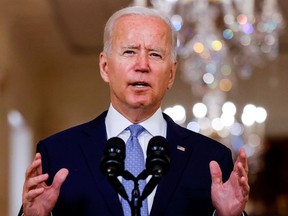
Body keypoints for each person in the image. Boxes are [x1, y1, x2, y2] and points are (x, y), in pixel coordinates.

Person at [19, 6, 249, 216]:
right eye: (129, 52)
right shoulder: (58, 153)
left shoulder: (210, 159)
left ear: (170, 74)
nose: (142, 65)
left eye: (155, 54)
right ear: (105, 66)